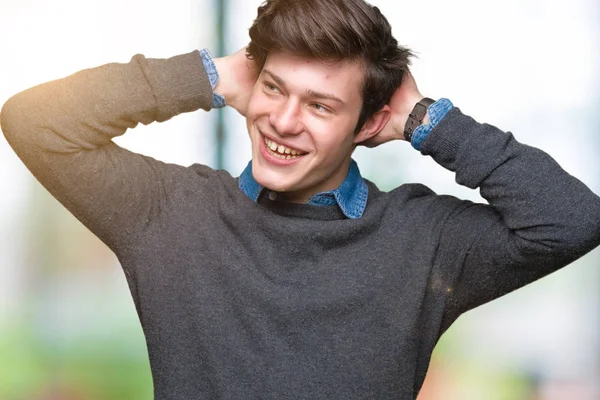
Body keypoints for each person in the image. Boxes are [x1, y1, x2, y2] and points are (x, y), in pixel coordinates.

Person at [1, 0, 599, 398]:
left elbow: (572, 219)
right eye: (273, 88)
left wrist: (425, 120)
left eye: (319, 105)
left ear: (368, 125)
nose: (282, 122)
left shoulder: (423, 241)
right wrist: (206, 77)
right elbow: (33, 121)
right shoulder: (167, 214)